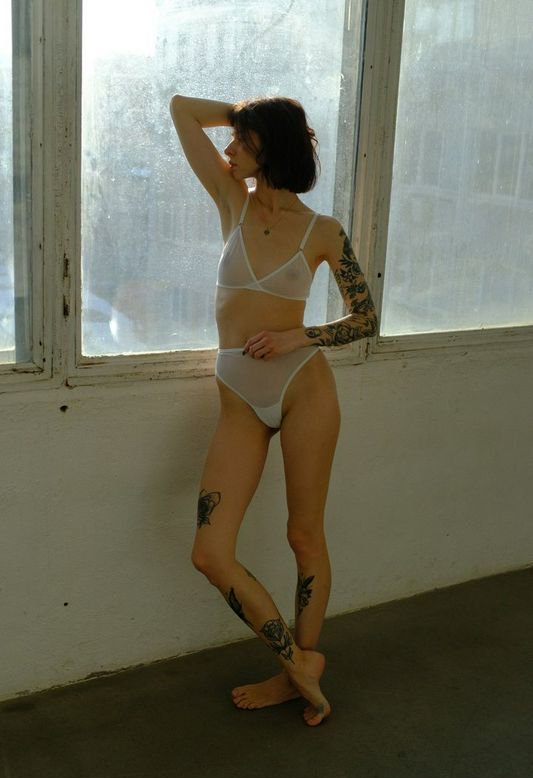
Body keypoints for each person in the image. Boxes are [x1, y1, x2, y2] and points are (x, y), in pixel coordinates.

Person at [169, 94, 377, 727]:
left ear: (271, 146)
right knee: (210, 553)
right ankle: (300, 665)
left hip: (303, 387)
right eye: (233, 137)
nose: (229, 148)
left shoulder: (322, 231)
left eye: (243, 139)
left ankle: (294, 676)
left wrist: (298, 337)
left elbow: (366, 318)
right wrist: (248, 113)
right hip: (239, 401)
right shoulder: (231, 200)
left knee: (304, 536)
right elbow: (181, 110)